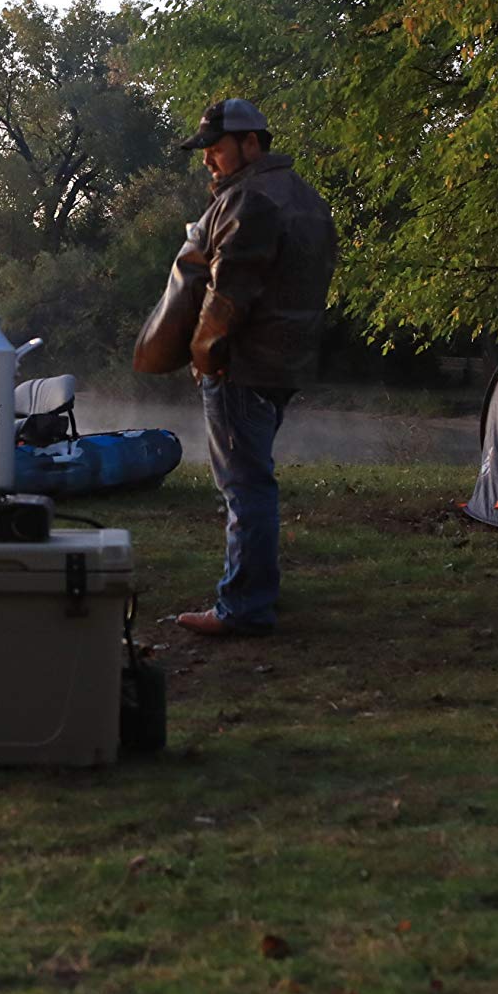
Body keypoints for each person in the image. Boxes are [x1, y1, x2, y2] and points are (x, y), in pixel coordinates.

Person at [171, 98, 337, 638]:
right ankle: (257, 590)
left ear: (251, 142)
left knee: (245, 488)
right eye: (206, 152)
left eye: (216, 149)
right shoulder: (305, 197)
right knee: (254, 481)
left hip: (242, 366)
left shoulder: (250, 198)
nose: (209, 161)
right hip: (284, 363)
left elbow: (229, 294)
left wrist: (204, 356)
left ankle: (244, 606)